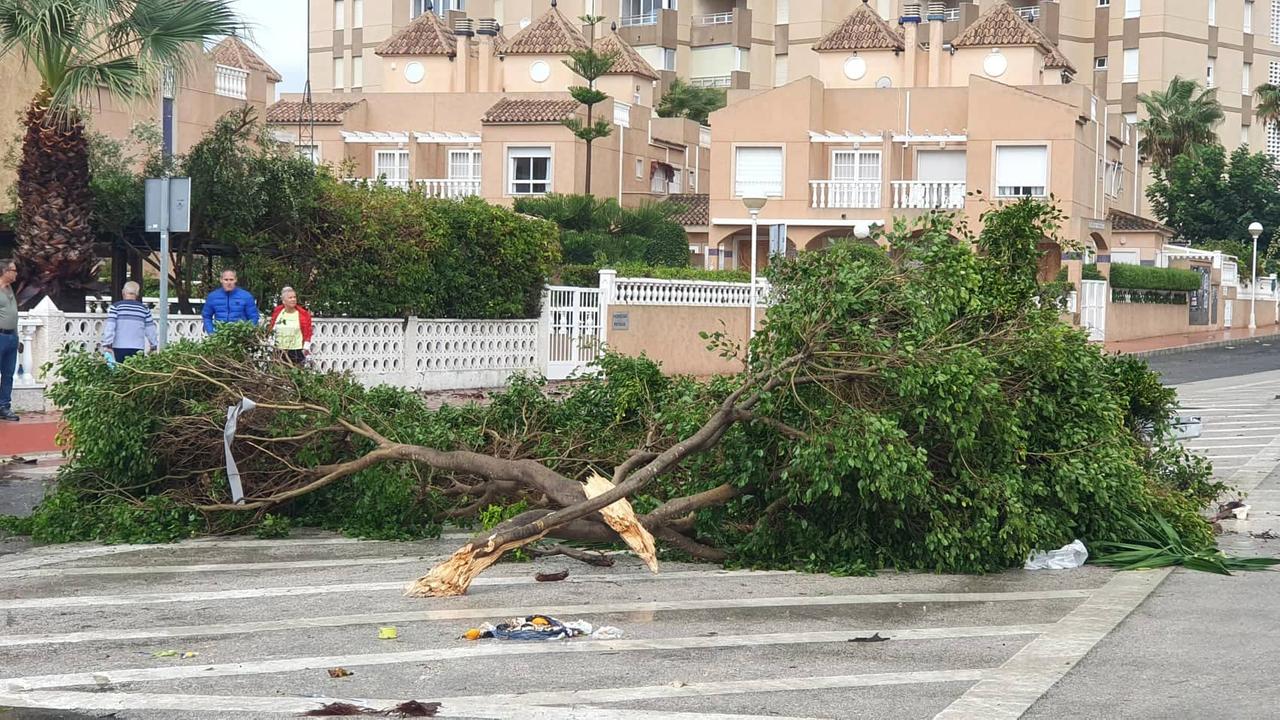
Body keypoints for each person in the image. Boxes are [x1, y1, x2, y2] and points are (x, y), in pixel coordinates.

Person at [101, 281, 158, 363]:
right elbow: (150, 330)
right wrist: (153, 346)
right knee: (134, 374)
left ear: (123, 292)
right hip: (138, 348)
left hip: (119, 347)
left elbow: (110, 327)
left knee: (120, 372)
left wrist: (107, 344)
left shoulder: (115, 307)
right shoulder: (144, 309)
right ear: (137, 294)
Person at [202, 269, 259, 335]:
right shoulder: (212, 297)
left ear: (236, 280)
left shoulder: (246, 296)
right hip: (219, 336)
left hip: (241, 336)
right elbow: (206, 316)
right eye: (226, 280)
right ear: (221, 280)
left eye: (231, 279)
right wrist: (211, 332)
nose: (229, 283)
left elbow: (254, 317)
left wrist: (246, 332)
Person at [267, 286, 313, 366]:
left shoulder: (303, 314)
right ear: (284, 301)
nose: (293, 299)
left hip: (296, 350)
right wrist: (270, 344)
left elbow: (308, 331)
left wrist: (306, 347)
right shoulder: (278, 312)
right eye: (290, 298)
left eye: (294, 297)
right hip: (279, 350)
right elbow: (272, 327)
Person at [0, 260, 19, 422]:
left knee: (8, 373)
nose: (16, 273)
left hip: (12, 336)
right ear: (5, 272)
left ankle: (4, 406)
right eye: (13, 270)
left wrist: (17, 336)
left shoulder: (10, 288)